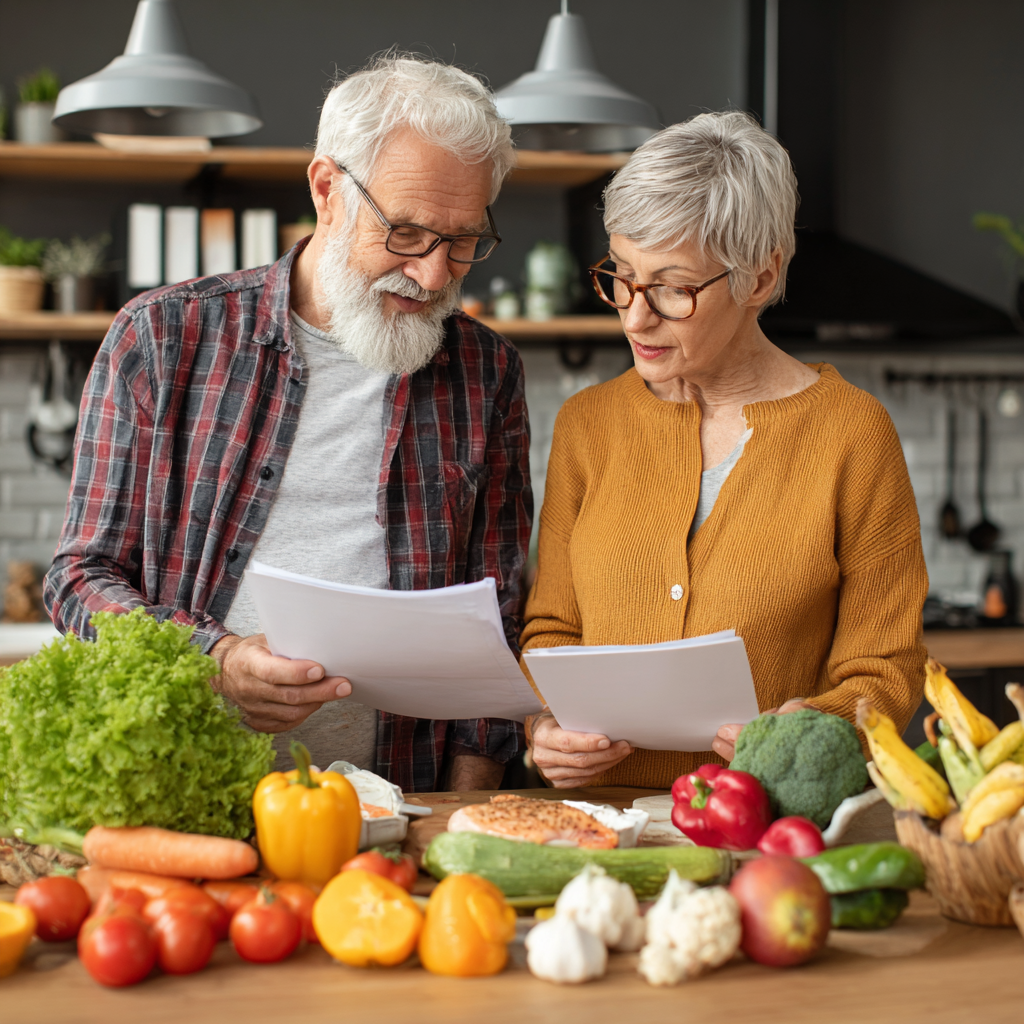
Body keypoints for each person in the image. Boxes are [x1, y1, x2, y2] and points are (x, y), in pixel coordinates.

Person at [44, 56, 532, 793]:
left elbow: (496, 610)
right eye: (406, 233)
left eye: (462, 241)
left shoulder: (486, 373)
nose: (434, 275)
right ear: (327, 190)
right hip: (188, 787)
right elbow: (79, 580)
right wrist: (215, 659)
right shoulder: (163, 339)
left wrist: (462, 807)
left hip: (402, 797)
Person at [520, 111, 927, 788]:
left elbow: (884, 668)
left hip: (768, 838)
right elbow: (553, 629)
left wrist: (818, 727)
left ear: (760, 280)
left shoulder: (852, 433)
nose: (633, 314)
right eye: (620, 274)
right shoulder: (586, 425)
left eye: (673, 288)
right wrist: (543, 727)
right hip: (597, 834)